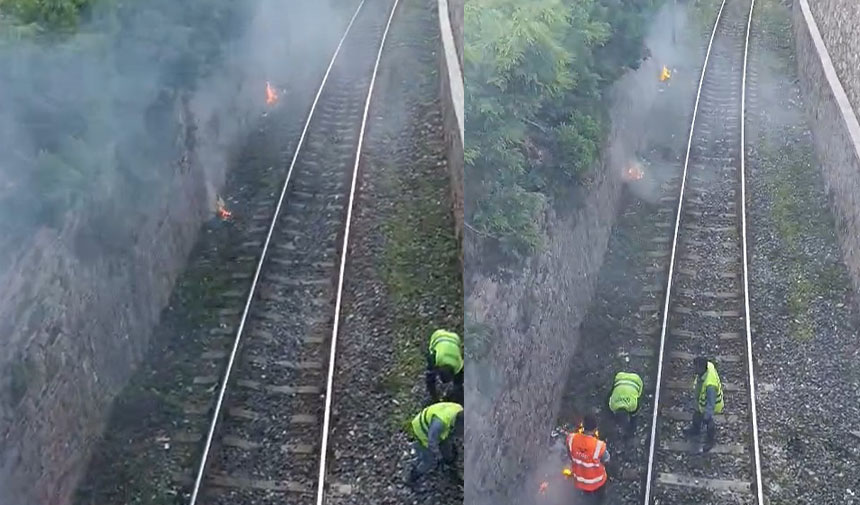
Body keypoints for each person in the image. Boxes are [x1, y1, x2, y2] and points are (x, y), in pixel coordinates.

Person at [405, 402, 464, 485]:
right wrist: (439, 456)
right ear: (458, 423)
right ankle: (412, 477)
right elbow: (431, 442)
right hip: (421, 433)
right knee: (429, 461)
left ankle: (451, 471)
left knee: (448, 452)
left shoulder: (459, 409)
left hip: (437, 431)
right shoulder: (440, 423)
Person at [565, 414, 609, 503]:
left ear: (583, 426)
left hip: (579, 482)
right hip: (598, 483)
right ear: (595, 429)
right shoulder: (599, 446)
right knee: (600, 501)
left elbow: (570, 456)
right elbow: (607, 460)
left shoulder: (571, 439)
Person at [686, 357, 724, 452]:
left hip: (709, 407)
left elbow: (711, 403)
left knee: (709, 423)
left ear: (701, 368)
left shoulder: (710, 386)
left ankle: (710, 441)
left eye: (696, 367)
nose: (694, 369)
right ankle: (696, 429)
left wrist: (707, 416)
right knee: (697, 415)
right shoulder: (708, 366)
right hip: (701, 403)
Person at [425, 329, 464, 404]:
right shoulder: (435, 358)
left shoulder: (458, 365)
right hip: (439, 336)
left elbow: (459, 385)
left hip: (452, 338)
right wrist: (434, 396)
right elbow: (429, 378)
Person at [607, 371, 643, 439]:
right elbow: (634, 419)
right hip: (624, 377)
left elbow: (634, 418)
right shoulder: (612, 405)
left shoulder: (633, 406)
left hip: (633, 380)